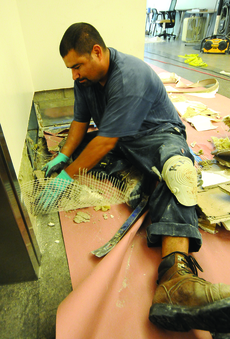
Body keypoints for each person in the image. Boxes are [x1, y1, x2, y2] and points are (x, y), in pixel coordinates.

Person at [42, 22, 230, 333]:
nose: (74, 75)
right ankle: (145, 182)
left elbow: (104, 142)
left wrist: (67, 177)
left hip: (157, 135)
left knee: (176, 174)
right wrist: (64, 155)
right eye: (71, 68)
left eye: (77, 66)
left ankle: (176, 279)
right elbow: (79, 120)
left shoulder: (129, 75)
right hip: (123, 141)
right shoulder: (86, 80)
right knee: (98, 160)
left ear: (97, 52)